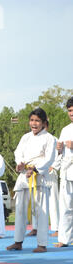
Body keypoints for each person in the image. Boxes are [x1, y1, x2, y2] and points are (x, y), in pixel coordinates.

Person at [7, 108, 56, 253]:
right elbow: (18, 153)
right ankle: (18, 241)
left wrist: (35, 168)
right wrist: (21, 164)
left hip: (39, 177)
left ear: (43, 123)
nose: (34, 124)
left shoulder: (49, 138)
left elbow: (49, 159)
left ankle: (42, 244)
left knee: (41, 211)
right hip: (24, 176)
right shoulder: (25, 137)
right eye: (32, 120)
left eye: (37, 121)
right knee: (20, 210)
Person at [54, 97, 73, 247]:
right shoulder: (65, 130)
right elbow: (60, 153)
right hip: (67, 172)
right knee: (66, 207)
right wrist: (59, 149)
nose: (71, 113)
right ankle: (65, 239)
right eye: (69, 111)